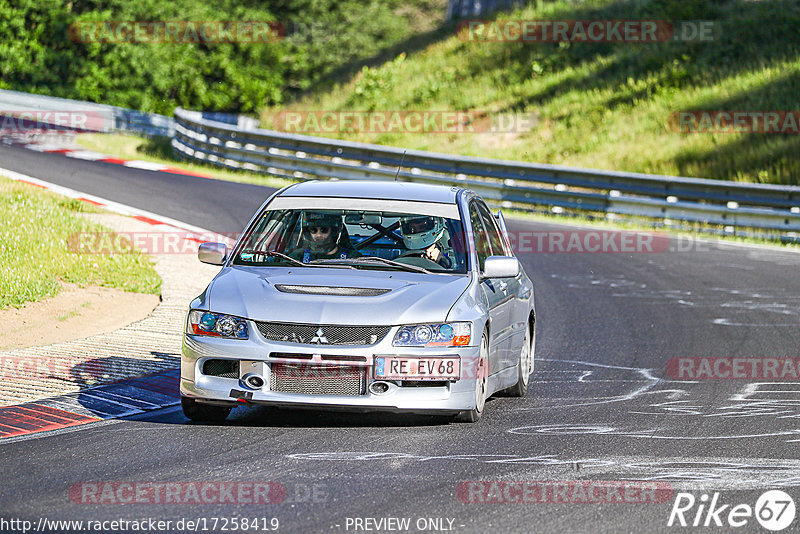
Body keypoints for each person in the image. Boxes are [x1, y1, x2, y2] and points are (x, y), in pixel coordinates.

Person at [289, 211, 361, 263]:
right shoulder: (297, 257)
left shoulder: (352, 258)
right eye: (313, 230)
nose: (319, 235)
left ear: (333, 231)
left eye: (324, 230)